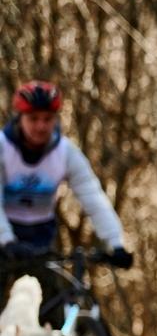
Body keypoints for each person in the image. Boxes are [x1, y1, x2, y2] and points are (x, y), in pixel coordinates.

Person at [0, 80, 133, 267]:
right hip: (4, 232)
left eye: (47, 119)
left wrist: (115, 243)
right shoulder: (3, 148)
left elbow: (92, 196)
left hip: (42, 237)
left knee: (57, 283)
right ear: (20, 117)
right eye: (33, 118)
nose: (41, 126)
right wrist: (6, 240)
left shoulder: (66, 152)